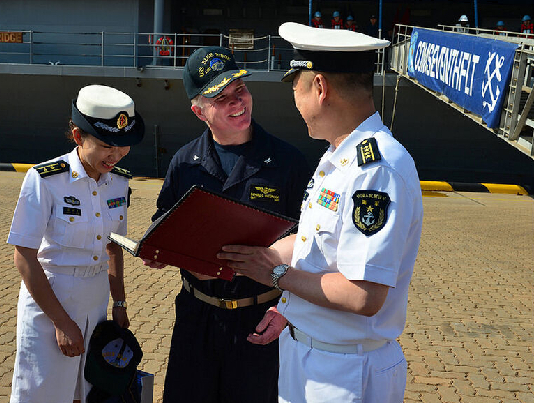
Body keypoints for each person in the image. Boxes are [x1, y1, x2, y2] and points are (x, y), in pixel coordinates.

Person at [218, 22, 424, 403]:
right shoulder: (339, 156)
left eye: (296, 88)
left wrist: (275, 275)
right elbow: (316, 243)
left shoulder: (375, 170)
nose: (295, 103)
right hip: (309, 356)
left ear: (320, 88)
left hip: (344, 372)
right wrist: (253, 256)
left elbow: (363, 295)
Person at [143, 46, 311, 403]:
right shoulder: (184, 163)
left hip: (261, 319)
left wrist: (287, 310)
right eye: (221, 98)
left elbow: (312, 242)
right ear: (199, 111)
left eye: (240, 90)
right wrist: (162, 253)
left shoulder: (288, 162)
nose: (237, 101)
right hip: (196, 318)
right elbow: (163, 222)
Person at [7, 84, 145, 403]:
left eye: (123, 146)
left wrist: (119, 303)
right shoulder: (46, 179)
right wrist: (61, 321)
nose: (116, 155)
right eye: (106, 146)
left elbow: (113, 246)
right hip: (51, 298)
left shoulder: (119, 182)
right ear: (78, 136)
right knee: (43, 392)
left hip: (95, 302)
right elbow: (24, 255)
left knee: (88, 390)